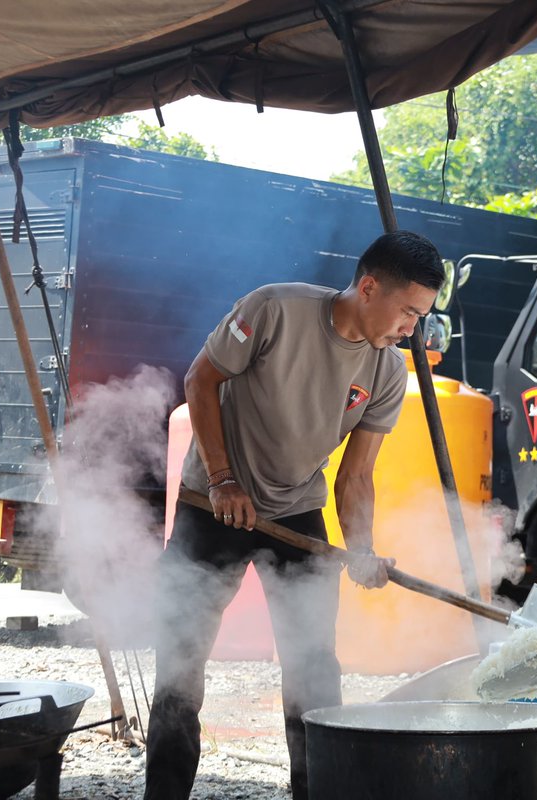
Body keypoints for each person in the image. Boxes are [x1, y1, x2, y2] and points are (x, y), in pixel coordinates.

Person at [143, 230, 444, 800]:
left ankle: (313, 791)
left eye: (421, 316)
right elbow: (199, 381)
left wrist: (360, 547)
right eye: (408, 311)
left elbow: (356, 474)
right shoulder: (276, 309)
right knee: (179, 664)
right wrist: (225, 480)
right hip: (212, 504)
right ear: (369, 286)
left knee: (314, 669)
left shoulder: (387, 372)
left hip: (296, 512)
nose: (412, 328)